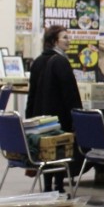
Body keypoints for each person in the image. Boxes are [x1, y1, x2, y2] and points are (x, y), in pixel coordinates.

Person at [26, 24, 82, 191]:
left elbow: (32, 93)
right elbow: (70, 93)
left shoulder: (37, 61)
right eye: (64, 37)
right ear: (54, 41)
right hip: (59, 118)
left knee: (45, 152)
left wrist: (29, 117)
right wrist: (76, 117)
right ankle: (59, 187)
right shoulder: (62, 62)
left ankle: (47, 186)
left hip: (40, 118)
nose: (68, 41)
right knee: (60, 152)